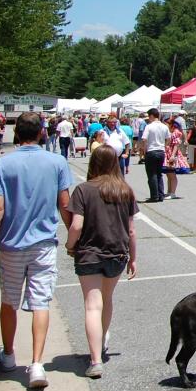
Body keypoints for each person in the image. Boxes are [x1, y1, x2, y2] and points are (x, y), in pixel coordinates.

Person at [0, 112, 73, 389]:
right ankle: (37, 364)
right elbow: (64, 203)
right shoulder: (57, 162)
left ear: (17, 133)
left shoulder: (3, 164)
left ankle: (9, 355)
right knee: (40, 302)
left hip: (11, 244)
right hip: (43, 244)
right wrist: (74, 238)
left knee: (9, 301)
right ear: (42, 133)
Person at [64, 145, 138, 378]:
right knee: (107, 299)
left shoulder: (83, 190)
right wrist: (133, 258)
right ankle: (103, 339)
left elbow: (76, 225)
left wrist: (70, 245)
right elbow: (131, 230)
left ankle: (95, 360)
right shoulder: (124, 190)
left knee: (92, 305)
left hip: (89, 252)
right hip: (117, 253)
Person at [140, 109, 170, 202]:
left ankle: (154, 196)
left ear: (152, 116)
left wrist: (144, 150)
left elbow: (144, 139)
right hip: (161, 151)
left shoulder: (149, 126)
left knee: (152, 174)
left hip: (151, 151)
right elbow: (168, 138)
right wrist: (164, 146)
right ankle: (160, 195)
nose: (148, 118)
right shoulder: (164, 126)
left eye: (149, 116)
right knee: (159, 174)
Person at [163, 117, 189, 199]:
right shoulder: (169, 131)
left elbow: (176, 145)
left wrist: (172, 155)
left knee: (172, 174)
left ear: (170, 124)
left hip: (173, 154)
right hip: (168, 153)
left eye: (166, 123)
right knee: (168, 174)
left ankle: (172, 193)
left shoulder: (176, 132)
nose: (164, 125)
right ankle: (169, 192)